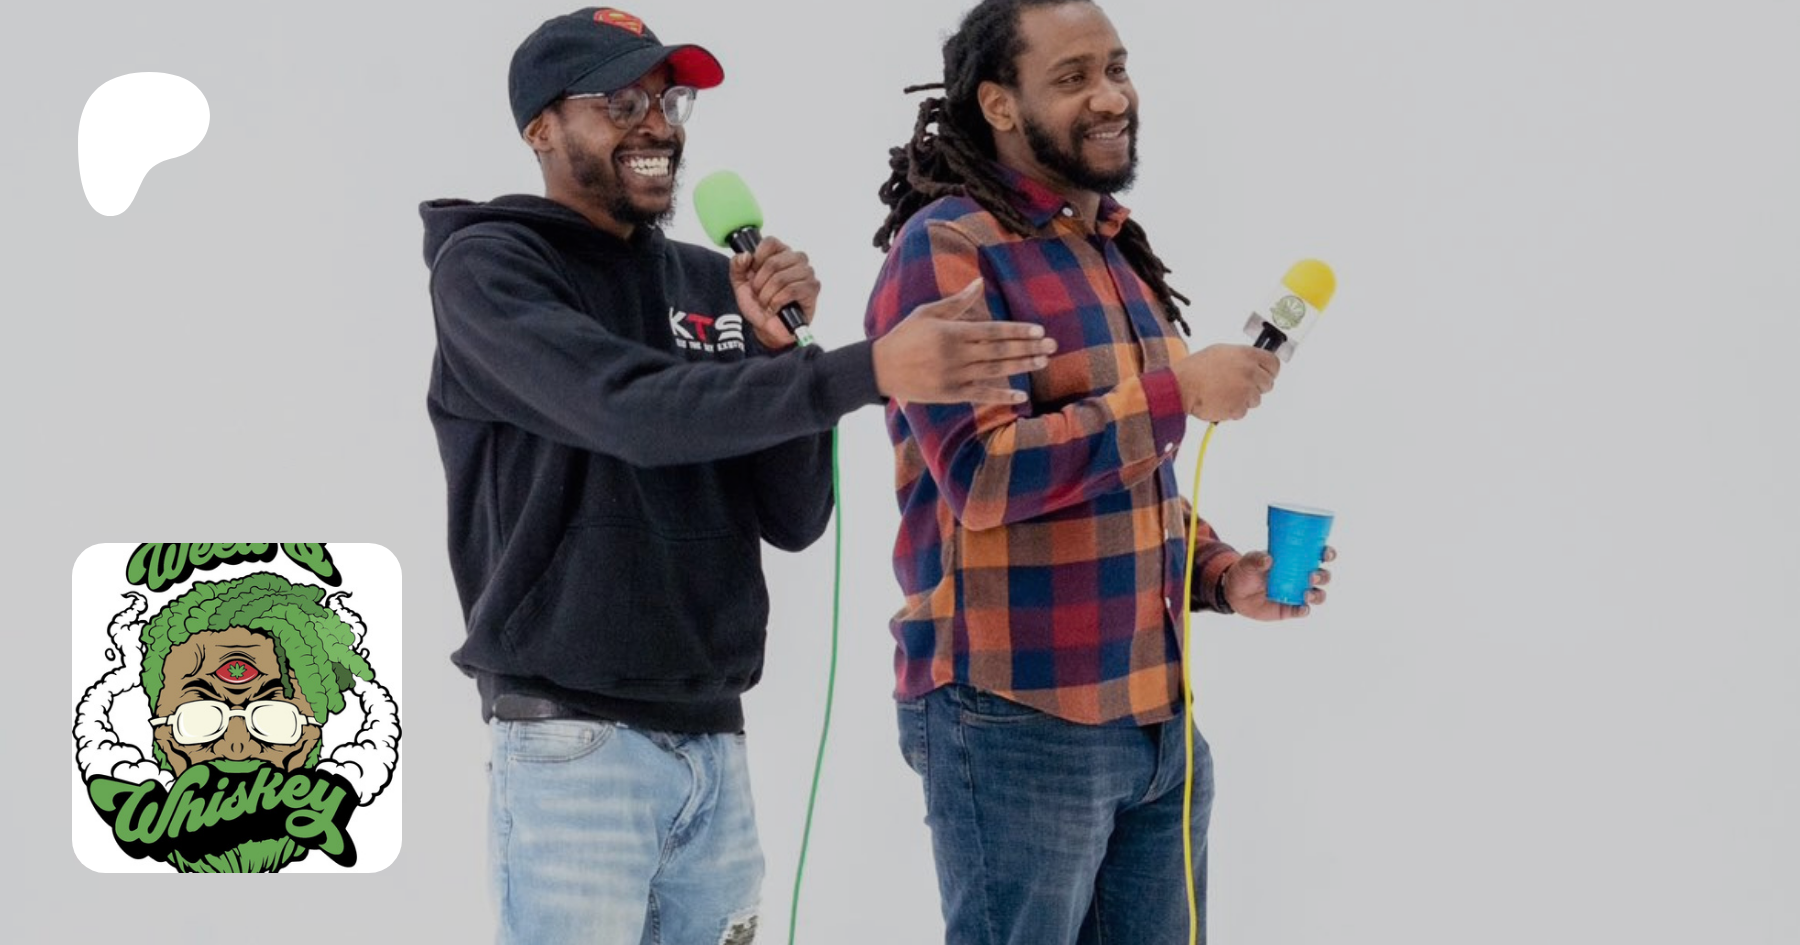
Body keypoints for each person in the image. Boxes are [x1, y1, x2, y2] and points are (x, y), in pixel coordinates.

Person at [420, 7, 1056, 944]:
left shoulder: (710, 281)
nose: (657, 125)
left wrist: (777, 351)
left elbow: (791, 517)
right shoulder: (490, 269)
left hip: (715, 743)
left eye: (667, 101)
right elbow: (627, 411)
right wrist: (868, 369)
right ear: (541, 128)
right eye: (620, 102)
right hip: (573, 747)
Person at [864, 1, 1336, 942]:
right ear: (999, 104)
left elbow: (1131, 478)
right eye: (1073, 77)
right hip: (1015, 716)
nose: (1112, 97)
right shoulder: (949, 249)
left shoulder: (1114, 247)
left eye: (1116, 69)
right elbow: (983, 477)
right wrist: (1175, 391)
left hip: (1156, 718)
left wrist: (1220, 573)